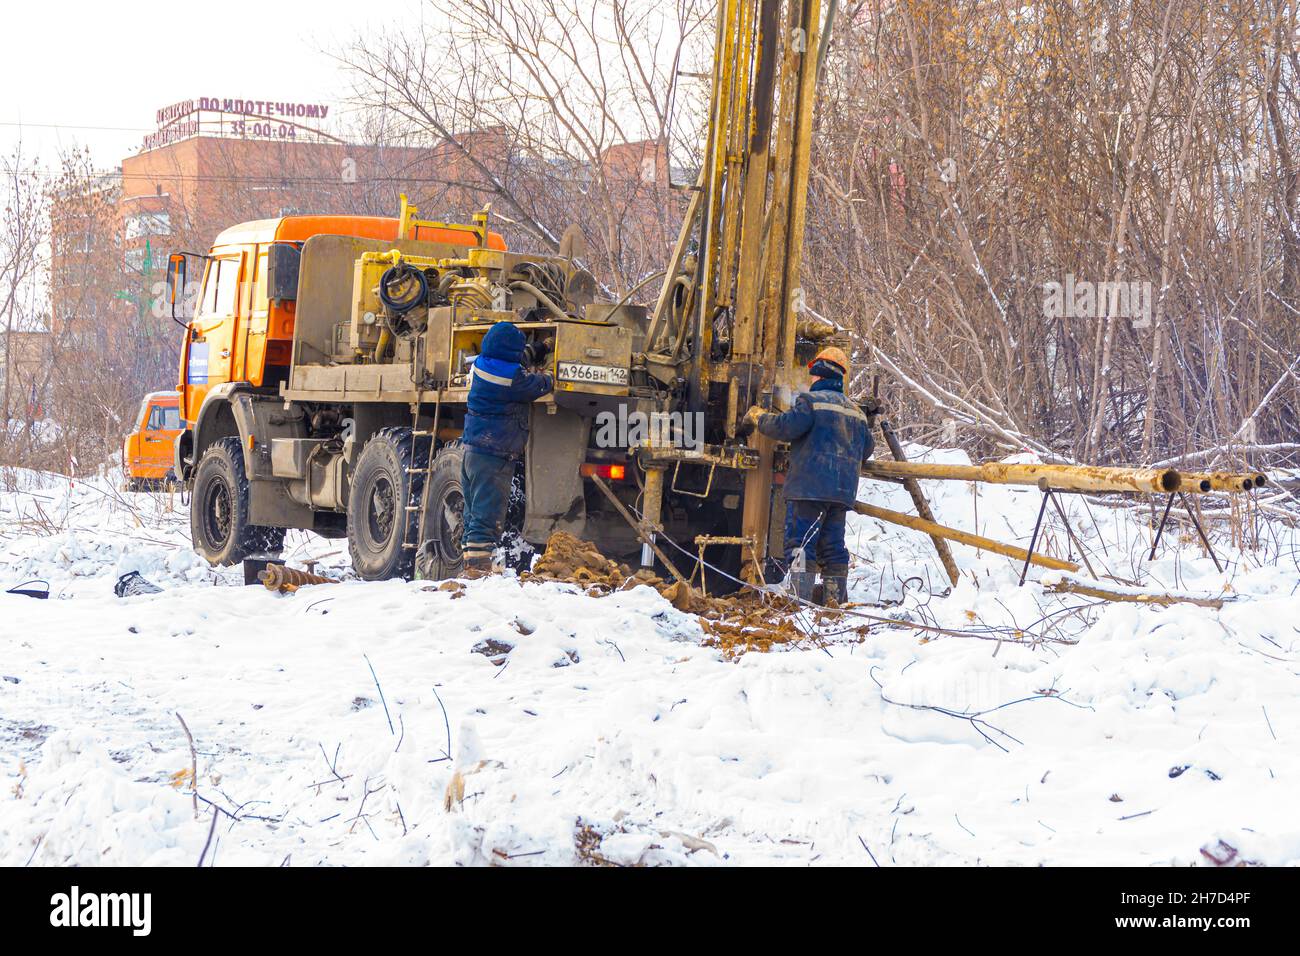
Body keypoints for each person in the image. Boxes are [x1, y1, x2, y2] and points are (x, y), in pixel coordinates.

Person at [742, 346, 873, 605]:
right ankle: (834, 604)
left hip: (809, 488)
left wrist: (759, 417)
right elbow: (867, 448)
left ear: (819, 375)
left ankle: (801, 603)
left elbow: (786, 427)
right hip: (842, 493)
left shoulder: (810, 402)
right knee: (833, 546)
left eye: (813, 375)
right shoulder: (856, 412)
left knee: (801, 543)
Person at [460, 322, 554, 571]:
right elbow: (538, 384)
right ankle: (478, 571)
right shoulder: (512, 379)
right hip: (494, 454)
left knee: (472, 514)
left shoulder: (482, 363)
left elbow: (516, 360)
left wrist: (538, 349)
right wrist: (553, 375)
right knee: (487, 515)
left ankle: (470, 565)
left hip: (474, 452)